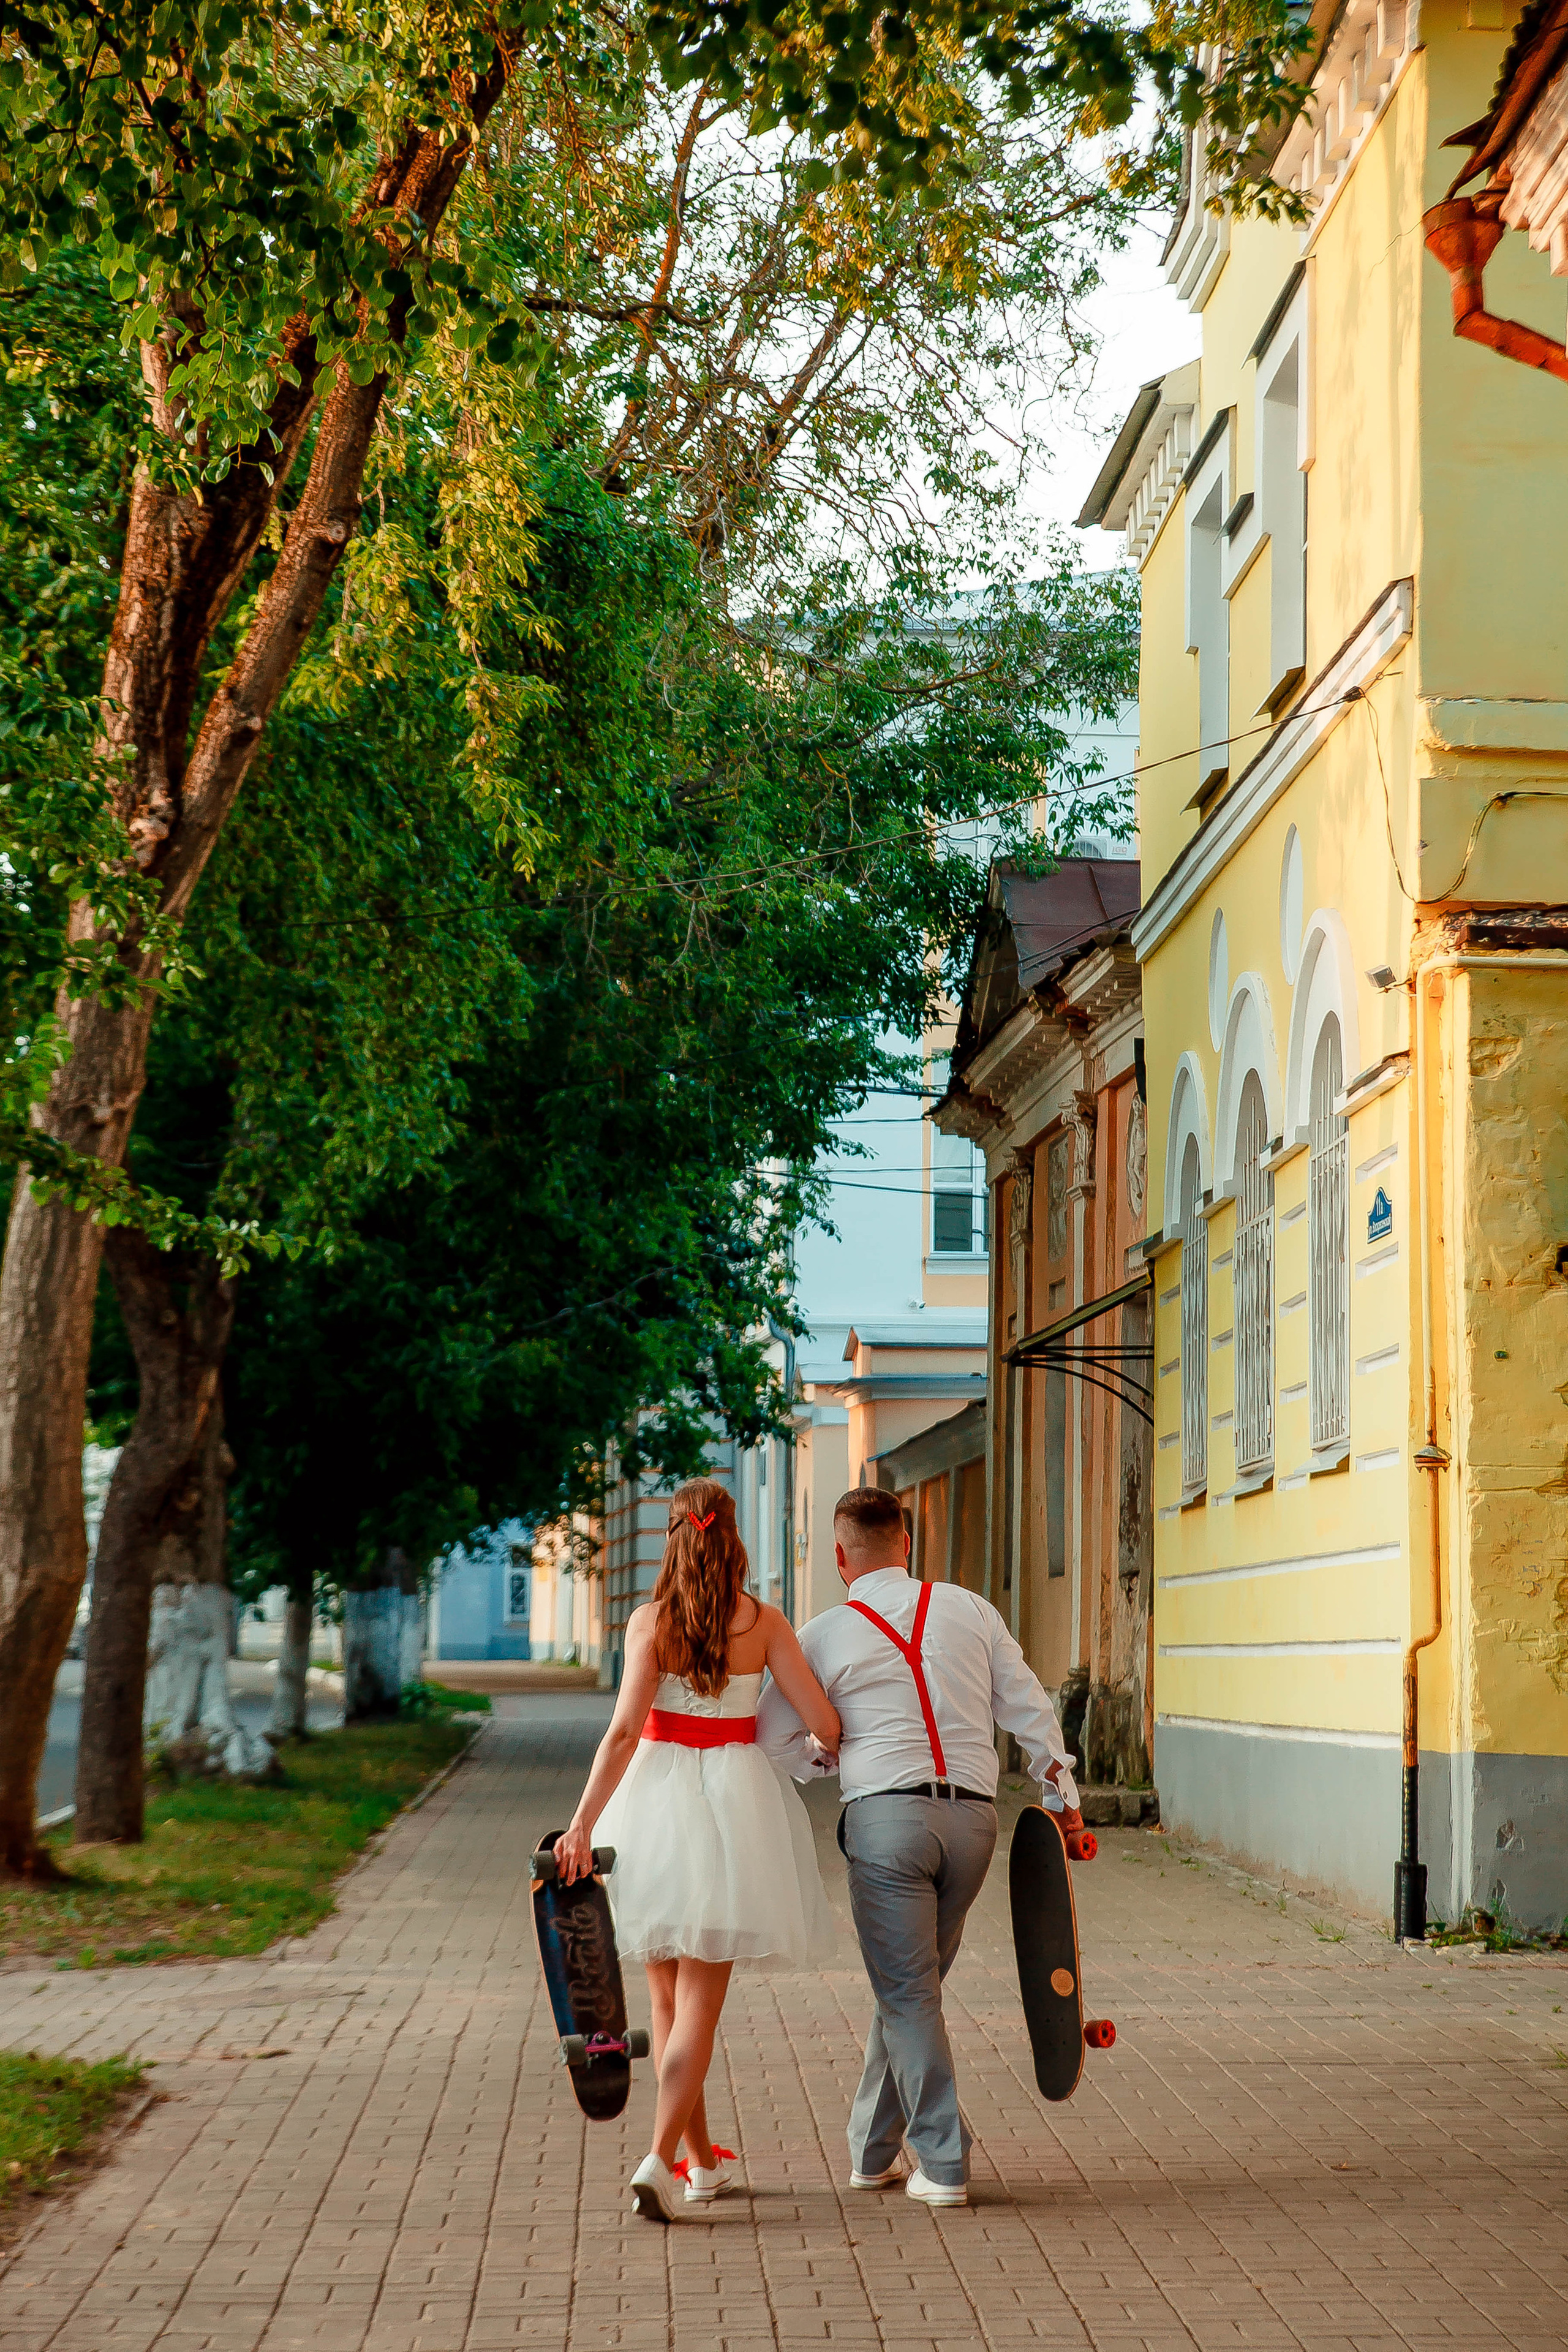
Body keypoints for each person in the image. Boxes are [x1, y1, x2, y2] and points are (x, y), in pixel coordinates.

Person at [758, 1483, 1082, 2209]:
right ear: (906, 1543)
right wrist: (1062, 1800)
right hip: (973, 1825)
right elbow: (1027, 1704)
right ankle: (872, 2153)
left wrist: (830, 1760)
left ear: (840, 1558)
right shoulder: (970, 1610)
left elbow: (774, 1737)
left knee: (906, 1993)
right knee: (912, 1991)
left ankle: (943, 2164)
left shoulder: (821, 1635)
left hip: (886, 1829)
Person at [552, 1477, 840, 2224]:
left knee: (667, 2003)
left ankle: (700, 2165)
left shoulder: (648, 1622)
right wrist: (817, 1742)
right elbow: (825, 1724)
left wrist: (581, 1825)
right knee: (698, 2015)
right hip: (736, 1810)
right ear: (732, 1535)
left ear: (673, 1535)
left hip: (652, 1805)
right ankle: (661, 2159)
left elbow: (620, 1734)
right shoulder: (766, 1622)